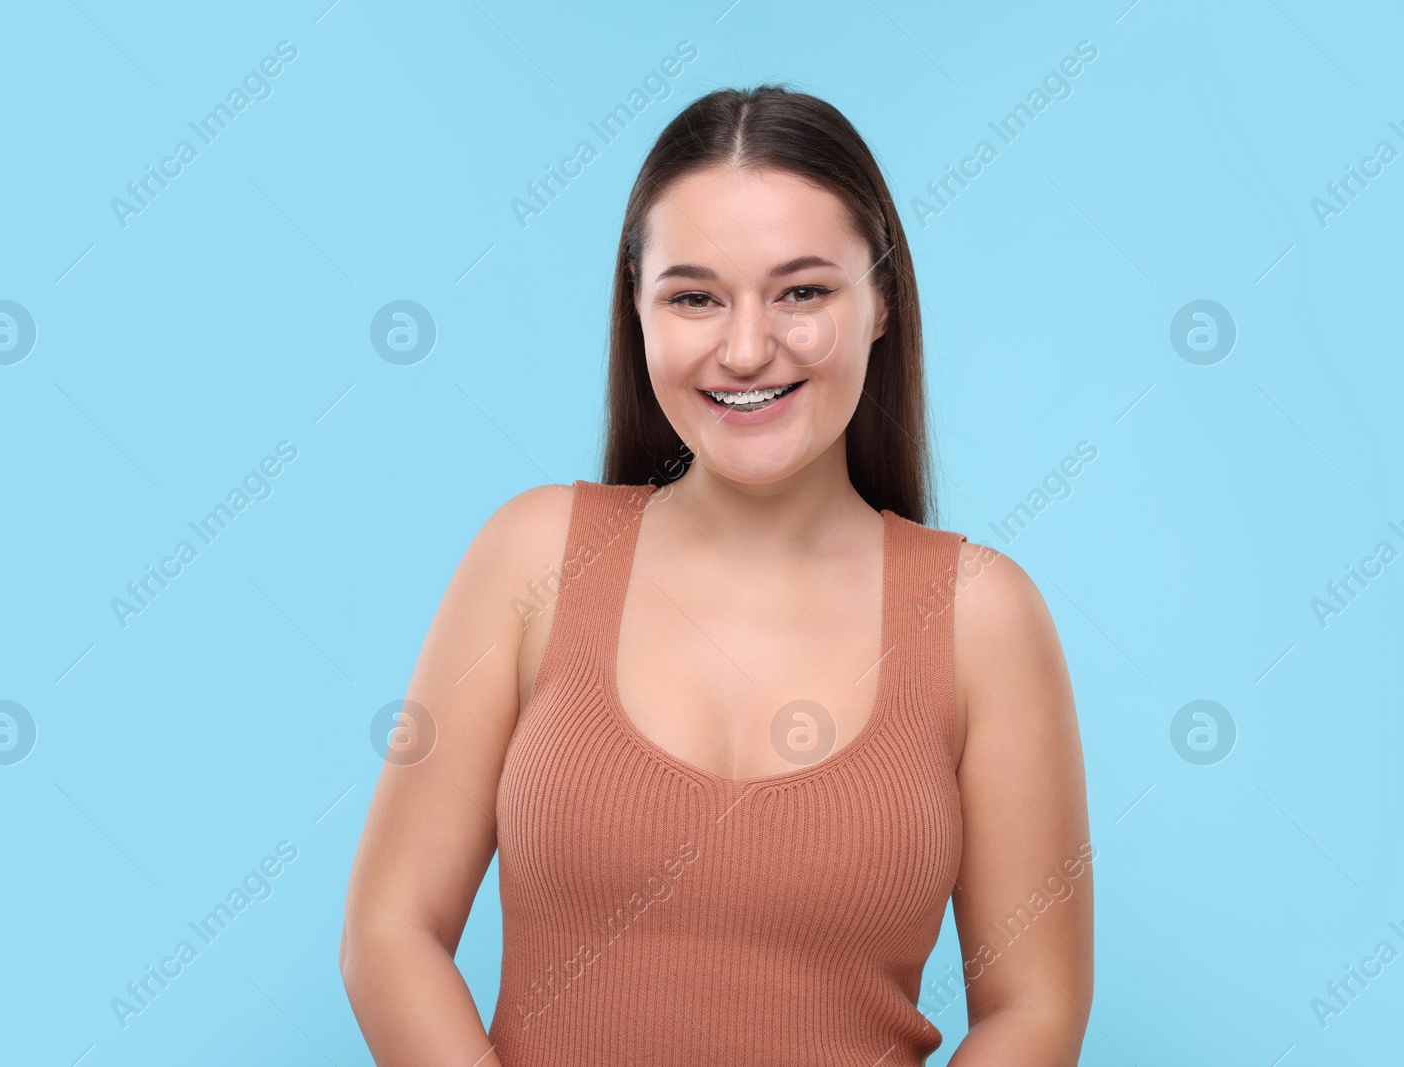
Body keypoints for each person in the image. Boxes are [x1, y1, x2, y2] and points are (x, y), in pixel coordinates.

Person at [341, 84, 1093, 1066]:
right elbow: (388, 931)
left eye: (803, 292)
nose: (745, 348)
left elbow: (1033, 1008)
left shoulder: (980, 615)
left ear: (880, 303)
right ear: (638, 309)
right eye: (694, 296)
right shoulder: (531, 558)